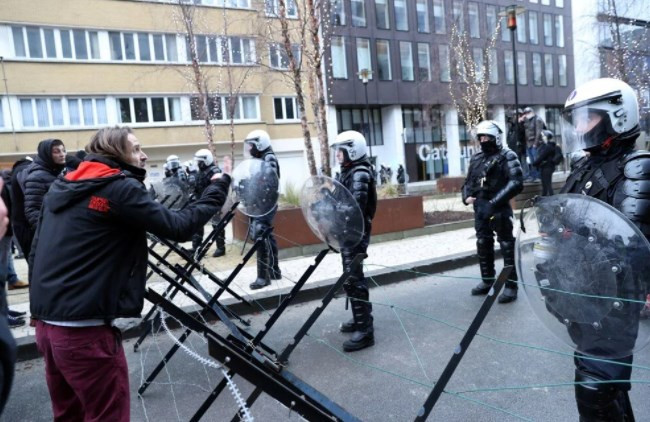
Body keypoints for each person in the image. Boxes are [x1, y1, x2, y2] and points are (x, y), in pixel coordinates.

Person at [29, 126, 231, 421]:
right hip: (85, 332)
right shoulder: (117, 187)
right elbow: (179, 227)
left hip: (48, 327)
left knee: (69, 415)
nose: (144, 155)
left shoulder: (65, 185)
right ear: (115, 153)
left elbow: (36, 251)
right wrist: (217, 186)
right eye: (136, 149)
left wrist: (37, 310)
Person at [558, 78, 649, 421]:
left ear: (618, 115)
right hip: (581, 297)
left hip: (613, 302)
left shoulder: (636, 168)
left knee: (595, 390)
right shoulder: (584, 167)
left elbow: (629, 248)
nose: (580, 127)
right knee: (606, 395)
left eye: (588, 118)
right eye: (577, 120)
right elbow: (562, 219)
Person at [462, 120, 524, 303]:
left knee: (506, 245)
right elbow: (468, 182)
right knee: (483, 243)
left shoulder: (508, 156)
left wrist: (494, 202)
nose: (483, 140)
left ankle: (511, 286)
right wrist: (466, 197)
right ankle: (487, 280)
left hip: (499, 209)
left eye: (487, 136)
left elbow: (516, 183)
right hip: (480, 208)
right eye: (481, 137)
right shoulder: (476, 158)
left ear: (496, 137)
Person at [330, 131, 377, 352]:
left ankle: (366, 331)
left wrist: (334, 207)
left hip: (355, 233)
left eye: (341, 150)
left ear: (353, 149)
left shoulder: (360, 173)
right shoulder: (347, 172)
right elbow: (340, 198)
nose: (338, 155)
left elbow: (354, 207)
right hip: (346, 232)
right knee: (350, 278)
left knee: (354, 280)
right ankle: (361, 320)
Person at [243, 130, 281, 289]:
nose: (249, 148)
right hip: (261, 202)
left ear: (260, 144)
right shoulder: (261, 158)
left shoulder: (269, 158)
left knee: (260, 233)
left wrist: (253, 185)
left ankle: (263, 277)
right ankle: (274, 270)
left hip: (266, 202)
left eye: (251, 144)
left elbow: (269, 181)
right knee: (266, 235)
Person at [24, 139, 66, 234]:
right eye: (56, 151)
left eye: (63, 150)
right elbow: (32, 210)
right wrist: (47, 232)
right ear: (46, 154)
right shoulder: (36, 177)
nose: (62, 154)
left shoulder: (57, 173)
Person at [192, 149, 226, 258]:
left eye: (200, 161)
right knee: (198, 225)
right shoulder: (200, 172)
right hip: (201, 202)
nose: (198, 164)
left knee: (217, 225)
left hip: (213, 202)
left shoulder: (214, 171)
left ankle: (221, 248)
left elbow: (219, 188)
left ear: (206, 160)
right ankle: (197, 248)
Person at [521, 107, 547, 182]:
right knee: (531, 161)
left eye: (528, 112)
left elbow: (538, 132)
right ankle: (533, 176)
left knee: (536, 160)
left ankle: (539, 176)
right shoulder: (526, 120)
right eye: (525, 113)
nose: (526, 114)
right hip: (528, 143)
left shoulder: (538, 119)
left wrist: (535, 143)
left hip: (535, 143)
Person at [532, 130, 558, 196]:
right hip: (545, 167)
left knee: (548, 185)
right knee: (545, 186)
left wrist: (534, 163)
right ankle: (544, 199)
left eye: (543, 136)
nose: (542, 137)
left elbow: (542, 156)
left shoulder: (548, 147)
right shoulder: (546, 146)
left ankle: (552, 199)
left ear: (547, 137)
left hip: (547, 167)